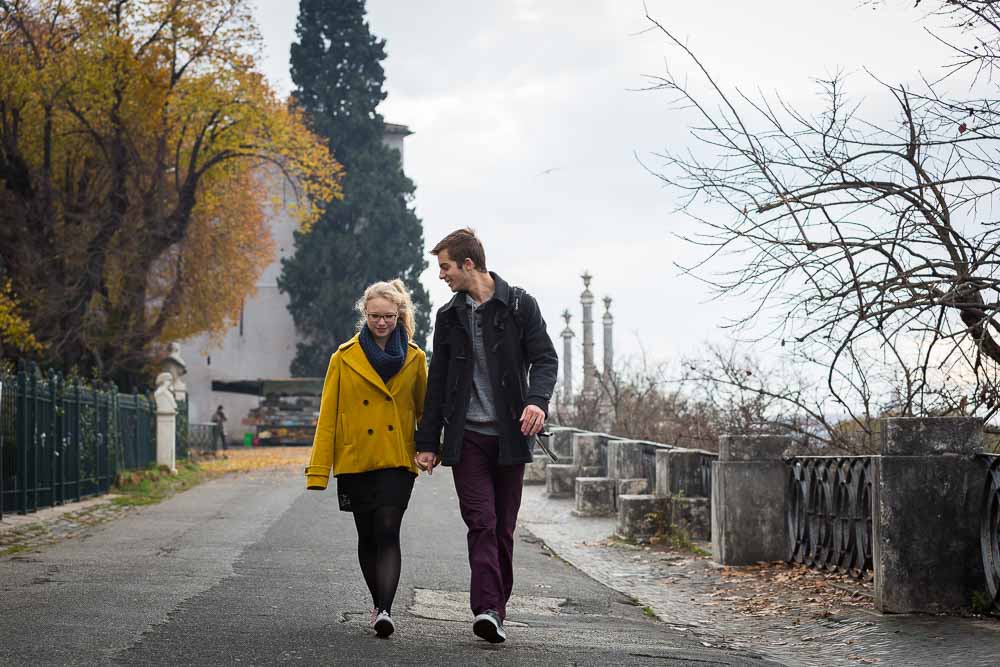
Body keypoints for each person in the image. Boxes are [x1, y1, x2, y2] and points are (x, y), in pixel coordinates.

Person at [414, 228, 558, 644]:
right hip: (469, 438)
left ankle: (497, 606)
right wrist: (427, 442)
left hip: (512, 438)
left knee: (503, 530)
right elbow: (437, 381)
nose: (441, 276)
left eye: (445, 267)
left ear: (468, 264)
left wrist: (537, 401)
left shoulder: (519, 305)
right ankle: (487, 609)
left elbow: (545, 359)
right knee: (481, 521)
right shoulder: (448, 316)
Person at [304, 280, 428, 639]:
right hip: (356, 459)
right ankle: (378, 604)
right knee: (368, 534)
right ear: (365, 314)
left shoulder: (416, 358)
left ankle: (386, 610)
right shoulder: (343, 358)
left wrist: (430, 447)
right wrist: (318, 470)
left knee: (388, 529)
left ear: (399, 314)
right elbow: (328, 415)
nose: (382, 322)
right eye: (375, 316)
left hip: (396, 457)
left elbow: (424, 409)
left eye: (389, 316)